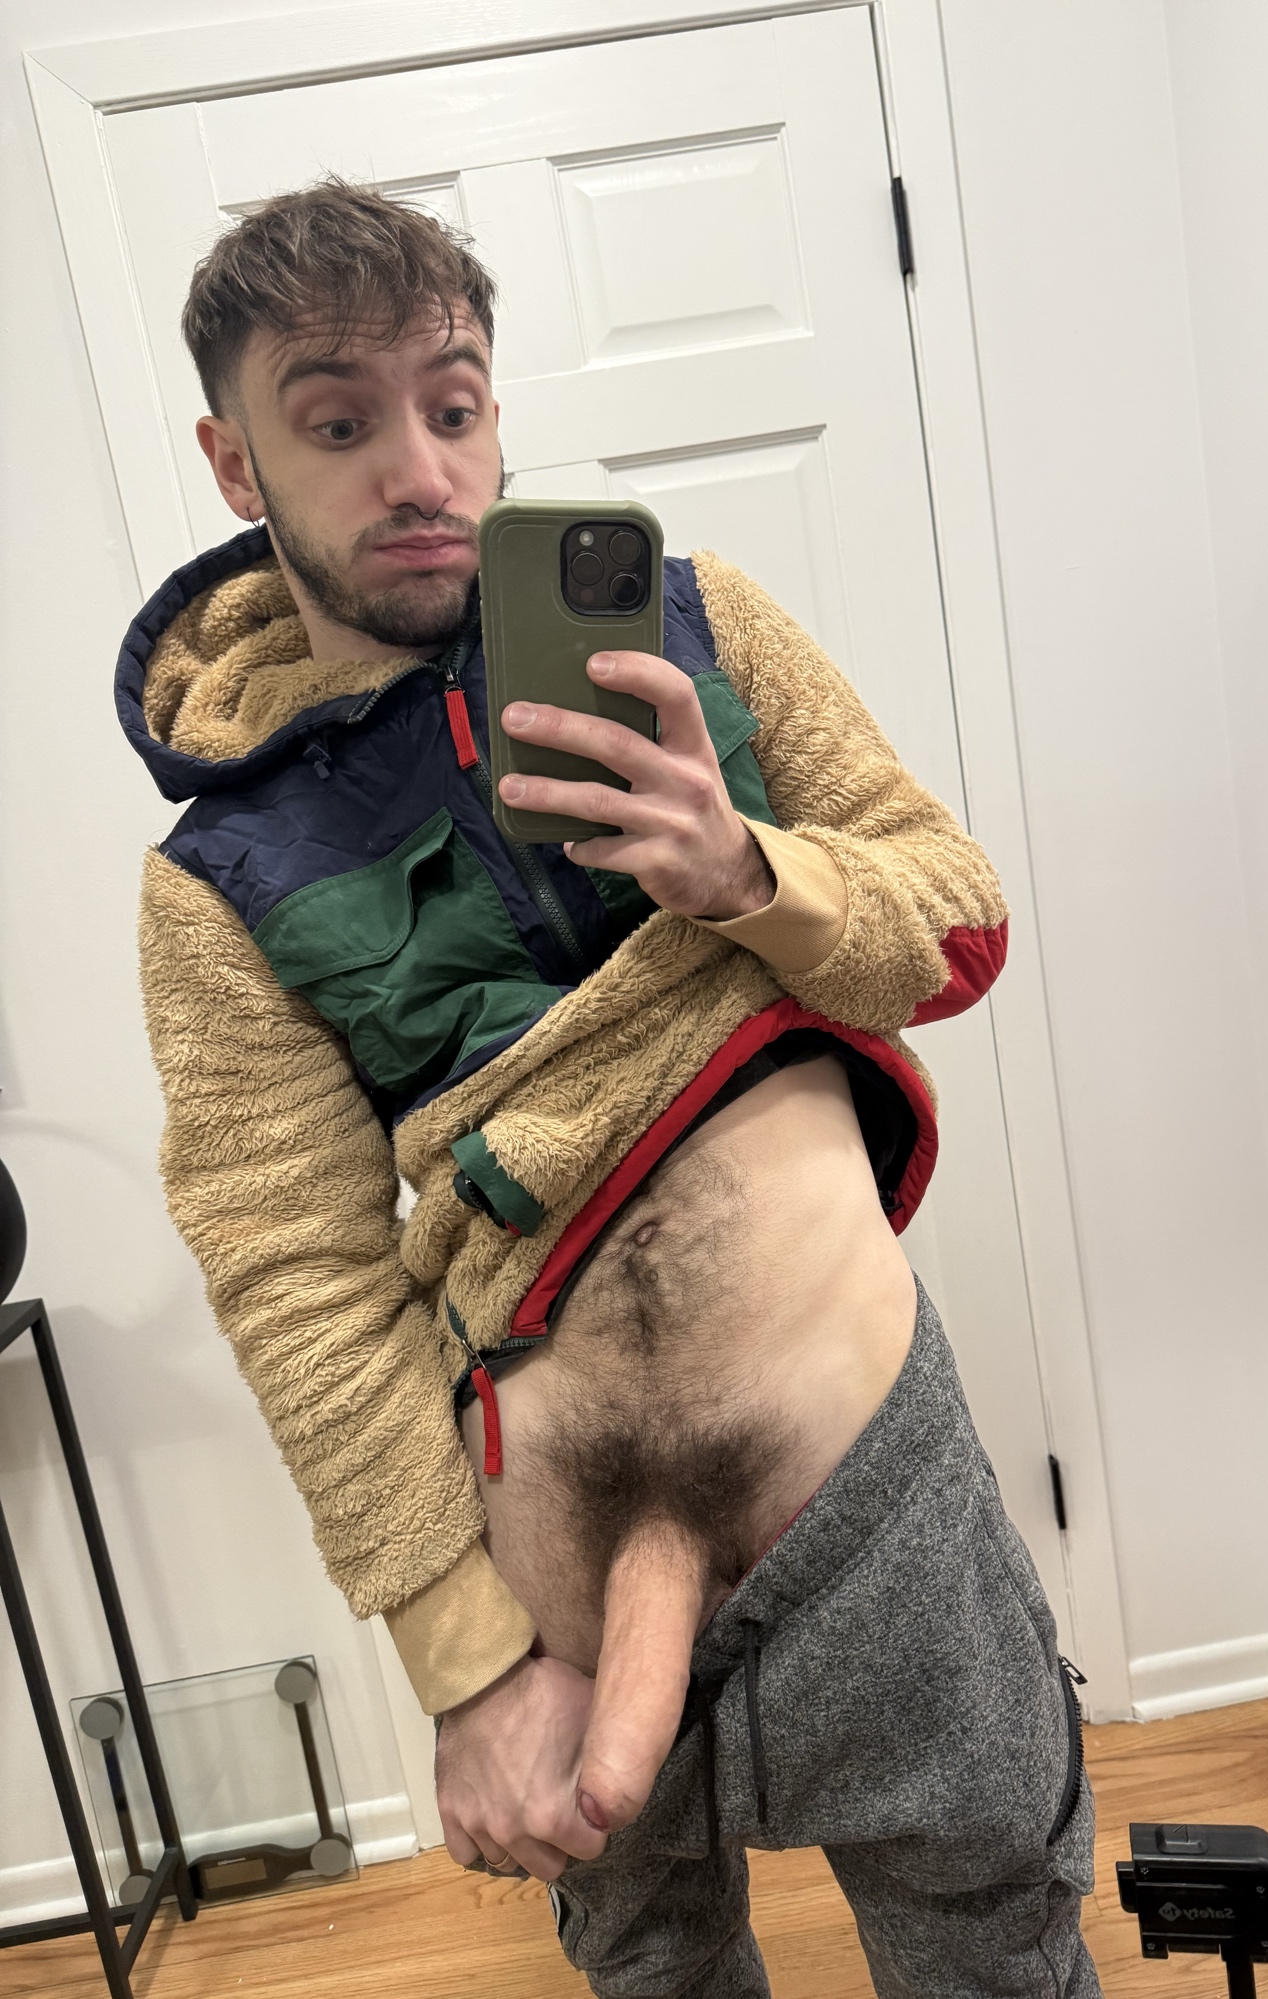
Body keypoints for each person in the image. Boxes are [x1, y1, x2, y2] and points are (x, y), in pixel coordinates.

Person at [120, 179, 1099, 1997]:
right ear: (234, 460)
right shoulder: (219, 879)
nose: (419, 470)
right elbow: (295, 1278)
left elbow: (956, 926)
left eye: (454, 405)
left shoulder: (707, 628)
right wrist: (465, 1663)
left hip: (864, 1470)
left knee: (997, 1934)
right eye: (337, 423)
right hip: (552, 1543)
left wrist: (751, 874)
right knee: (655, 1972)